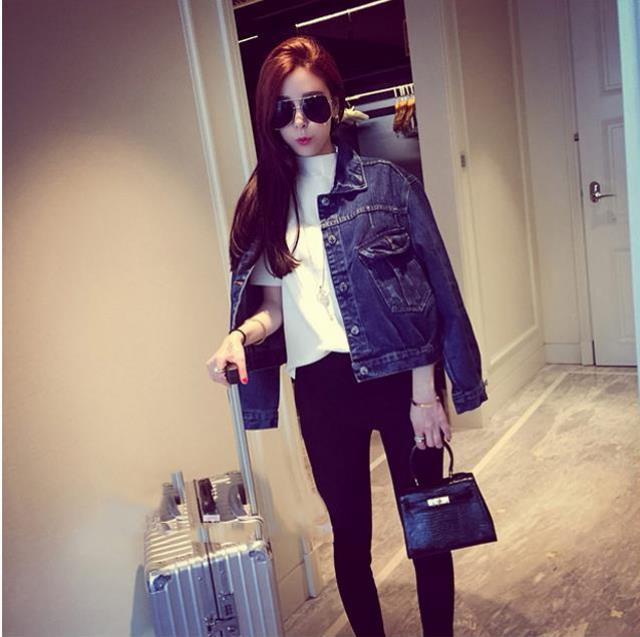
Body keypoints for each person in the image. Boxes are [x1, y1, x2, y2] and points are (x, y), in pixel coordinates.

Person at [206, 35, 487, 637]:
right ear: (268, 118)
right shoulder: (264, 202)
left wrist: (426, 395)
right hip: (321, 389)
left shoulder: (388, 185)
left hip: (399, 378)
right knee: (350, 537)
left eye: (312, 105)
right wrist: (240, 336)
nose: (299, 123)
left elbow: (430, 294)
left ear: (335, 102)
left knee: (427, 524)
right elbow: (274, 309)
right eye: (283, 110)